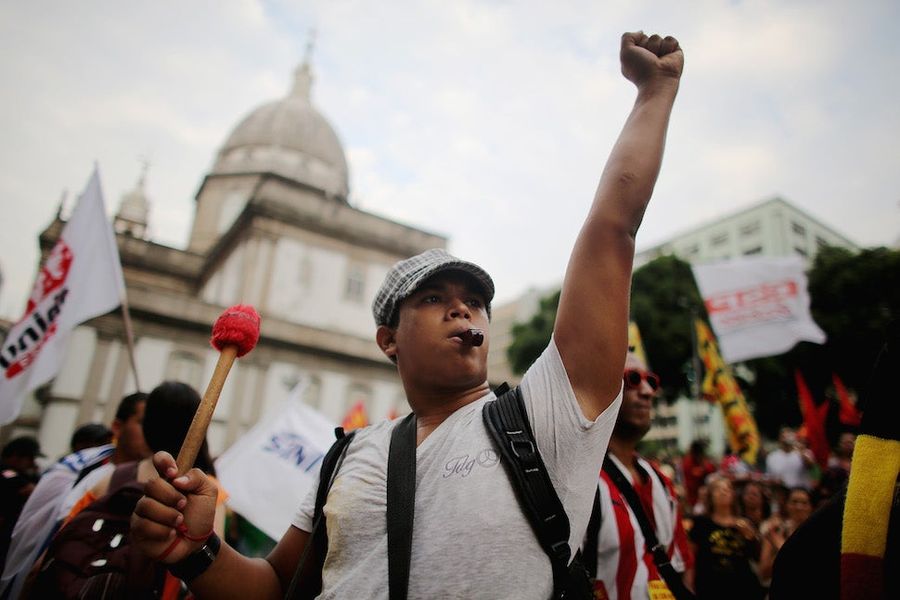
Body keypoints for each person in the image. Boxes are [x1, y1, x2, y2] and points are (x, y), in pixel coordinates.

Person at [131, 30, 684, 599]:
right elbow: (274, 584)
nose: (462, 307)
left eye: (473, 299)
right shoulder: (346, 457)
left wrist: (654, 94)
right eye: (433, 298)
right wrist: (196, 552)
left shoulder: (544, 421)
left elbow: (611, 228)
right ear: (388, 339)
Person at [28, 381, 226, 600]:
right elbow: (210, 580)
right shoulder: (208, 492)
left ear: (149, 425)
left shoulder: (110, 478)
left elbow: (53, 550)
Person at [0, 393, 151, 600]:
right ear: (117, 426)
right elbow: (35, 539)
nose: (153, 431)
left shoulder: (155, 481)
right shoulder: (76, 469)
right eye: (144, 422)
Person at [585, 352, 693, 599]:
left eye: (651, 381)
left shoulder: (661, 483)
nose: (647, 391)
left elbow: (681, 566)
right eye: (633, 379)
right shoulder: (582, 482)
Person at [688, 475, 763, 600]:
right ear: (711, 496)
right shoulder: (701, 522)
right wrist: (689, 584)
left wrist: (750, 536)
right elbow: (691, 557)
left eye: (727, 489)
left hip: (741, 587)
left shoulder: (745, 523)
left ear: (733, 495)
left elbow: (756, 556)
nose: (723, 491)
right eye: (718, 489)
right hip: (709, 586)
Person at [0, 437, 43, 566]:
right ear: (16, 456)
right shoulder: (6, 472)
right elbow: (31, 490)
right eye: (30, 459)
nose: (32, 463)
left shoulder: (20, 474)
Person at [681, 439, 716, 509]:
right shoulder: (688, 462)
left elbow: (710, 469)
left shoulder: (700, 460)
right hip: (693, 496)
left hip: (702, 496)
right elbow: (699, 473)